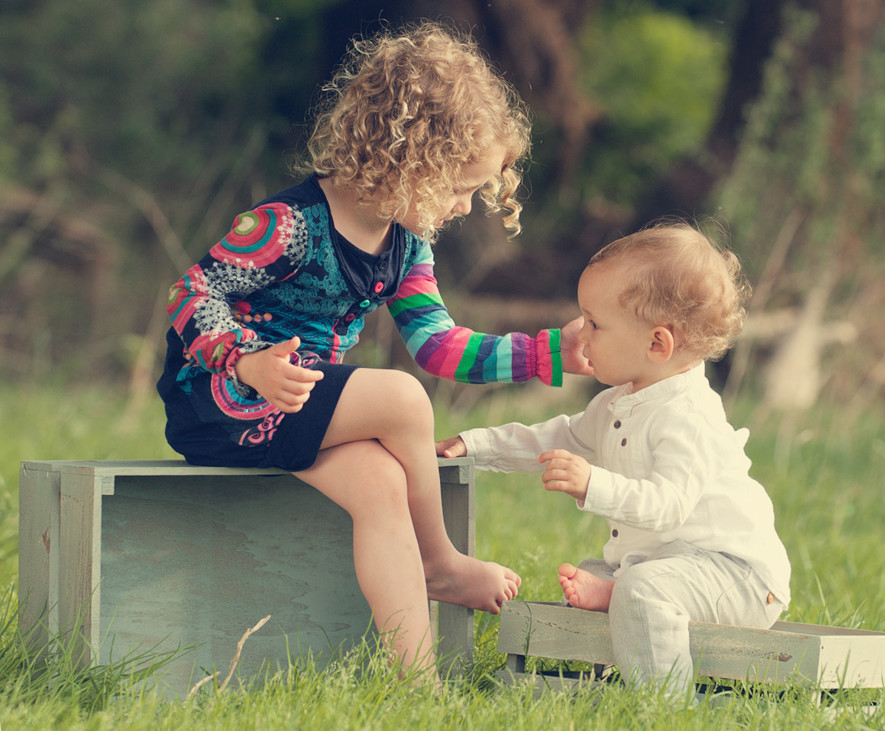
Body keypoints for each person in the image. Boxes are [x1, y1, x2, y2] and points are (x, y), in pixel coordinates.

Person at [156, 22, 590, 682]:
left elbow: (440, 346)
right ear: (409, 158)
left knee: (382, 484)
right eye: (458, 187)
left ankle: (413, 685)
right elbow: (191, 293)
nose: (466, 206)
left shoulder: (406, 246)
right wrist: (247, 362)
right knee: (400, 397)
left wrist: (546, 353)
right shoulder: (289, 224)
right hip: (223, 398)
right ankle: (439, 559)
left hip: (295, 407)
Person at [437, 222, 792, 697]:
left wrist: (593, 484)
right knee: (600, 570)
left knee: (645, 589)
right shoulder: (618, 402)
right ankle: (617, 592)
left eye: (595, 324)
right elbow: (556, 435)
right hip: (671, 562)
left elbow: (669, 507)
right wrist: (476, 444)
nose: (580, 335)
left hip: (736, 574)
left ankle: (661, 704)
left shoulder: (689, 414)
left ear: (657, 344)